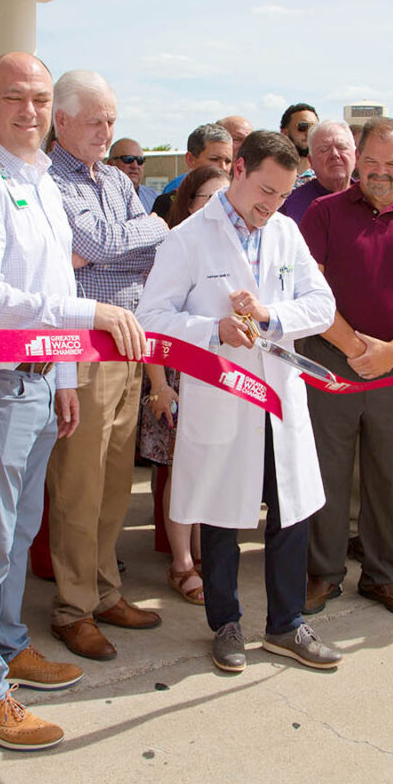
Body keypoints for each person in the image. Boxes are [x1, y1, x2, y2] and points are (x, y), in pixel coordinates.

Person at [0, 52, 145, 751]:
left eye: (41, 99)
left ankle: (9, 646)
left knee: (18, 535)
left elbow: (46, 275)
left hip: (35, 381)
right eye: (15, 98)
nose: (30, 111)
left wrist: (61, 376)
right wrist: (83, 320)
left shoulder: (35, 178)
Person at [138, 130, 341, 671]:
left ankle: (287, 624)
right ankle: (225, 623)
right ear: (239, 171)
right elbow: (151, 319)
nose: (272, 205)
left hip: (279, 396)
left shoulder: (287, 232)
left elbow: (321, 306)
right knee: (222, 516)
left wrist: (272, 314)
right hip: (223, 395)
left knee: (290, 512)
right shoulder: (186, 239)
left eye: (282, 194)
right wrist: (213, 330)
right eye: (265, 191)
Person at [298, 117, 393, 618]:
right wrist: (354, 348)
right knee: (328, 472)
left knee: (389, 476)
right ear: (357, 161)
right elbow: (311, 294)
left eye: (391, 164)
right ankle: (324, 573)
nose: (380, 173)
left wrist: (390, 352)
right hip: (327, 363)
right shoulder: (322, 213)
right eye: (370, 163)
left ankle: (384, 576)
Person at [44, 70, 168, 661]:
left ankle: (105, 591)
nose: (106, 131)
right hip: (82, 352)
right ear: (61, 121)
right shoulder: (49, 180)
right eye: (94, 120)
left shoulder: (115, 182)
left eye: (112, 120)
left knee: (117, 481)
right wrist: (123, 238)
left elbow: (151, 239)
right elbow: (87, 250)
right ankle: (73, 607)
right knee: (79, 484)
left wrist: (116, 239)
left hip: (129, 348)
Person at [143, 165, 229, 602]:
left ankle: (201, 551)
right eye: (208, 199)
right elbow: (152, 326)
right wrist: (159, 385)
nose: (219, 209)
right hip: (177, 377)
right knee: (181, 470)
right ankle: (181, 562)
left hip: (218, 377)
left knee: (210, 469)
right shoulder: (171, 247)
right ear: (188, 203)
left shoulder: (229, 249)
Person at [152, 123, 233, 220]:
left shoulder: (238, 204)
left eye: (228, 161)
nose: (223, 167)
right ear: (190, 159)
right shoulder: (166, 204)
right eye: (214, 159)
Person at [279, 120, 355, 222]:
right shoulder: (291, 206)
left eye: (341, 147)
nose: (335, 154)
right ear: (311, 161)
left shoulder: (372, 199)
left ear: (356, 155)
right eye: (324, 149)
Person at [108, 137, 157, 213]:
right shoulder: (100, 198)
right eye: (128, 159)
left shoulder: (153, 197)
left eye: (140, 160)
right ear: (110, 164)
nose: (135, 165)